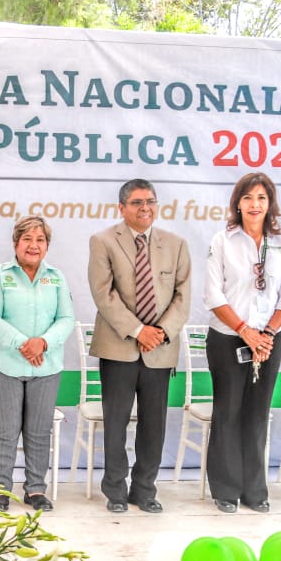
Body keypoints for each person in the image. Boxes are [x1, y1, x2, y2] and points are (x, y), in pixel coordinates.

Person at [87, 178, 192, 514]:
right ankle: (115, 489)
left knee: (154, 424)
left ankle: (144, 489)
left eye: (149, 201)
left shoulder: (176, 244)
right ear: (122, 208)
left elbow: (182, 296)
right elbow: (104, 294)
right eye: (136, 202)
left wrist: (160, 332)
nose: (144, 207)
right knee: (115, 423)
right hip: (119, 346)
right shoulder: (102, 241)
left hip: (159, 349)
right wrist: (137, 330)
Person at [202, 172, 281, 513]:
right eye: (248, 198)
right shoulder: (222, 241)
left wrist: (267, 334)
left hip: (269, 341)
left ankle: (255, 489)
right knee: (228, 413)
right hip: (229, 339)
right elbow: (212, 295)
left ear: (270, 204)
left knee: (257, 415)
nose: (255, 205)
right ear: (237, 203)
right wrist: (245, 331)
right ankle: (225, 489)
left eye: (261, 198)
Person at [0, 216, 75, 512]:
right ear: (15, 243)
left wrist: (42, 343)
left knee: (38, 430)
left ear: (47, 246)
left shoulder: (56, 277)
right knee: (5, 431)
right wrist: (23, 343)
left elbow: (66, 319)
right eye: (27, 239)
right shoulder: (0, 275)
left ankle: (35, 489)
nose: (33, 245)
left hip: (45, 368)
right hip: (5, 365)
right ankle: (0, 490)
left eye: (40, 240)